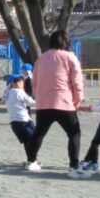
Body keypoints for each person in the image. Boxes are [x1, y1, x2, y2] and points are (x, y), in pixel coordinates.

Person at [25, 29, 84, 177]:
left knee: (39, 133)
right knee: (74, 133)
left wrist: (38, 97)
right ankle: (74, 165)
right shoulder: (70, 58)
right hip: (64, 101)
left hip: (44, 103)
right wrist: (78, 99)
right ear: (67, 42)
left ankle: (31, 160)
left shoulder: (41, 58)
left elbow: (35, 81)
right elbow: (77, 81)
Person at [4, 74, 36, 151]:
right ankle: (33, 160)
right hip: (24, 121)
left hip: (14, 123)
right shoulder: (19, 92)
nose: (22, 85)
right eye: (20, 83)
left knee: (26, 141)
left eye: (23, 83)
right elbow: (31, 103)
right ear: (13, 84)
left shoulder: (7, 94)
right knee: (34, 139)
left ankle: (30, 159)